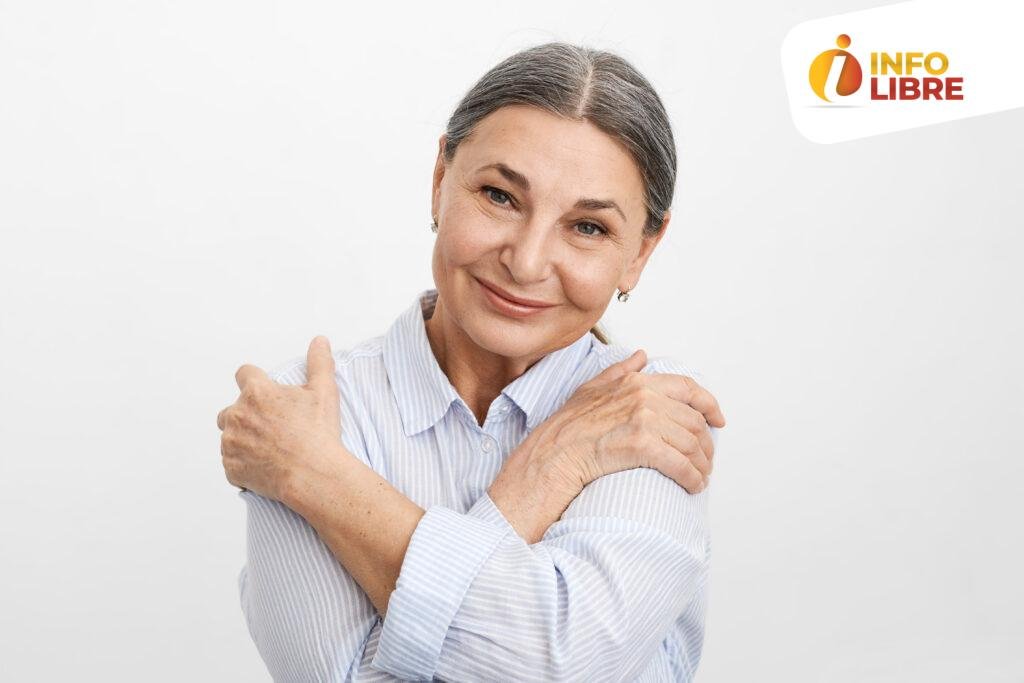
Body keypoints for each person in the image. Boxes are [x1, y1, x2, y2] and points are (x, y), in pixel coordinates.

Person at [217, 42, 727, 682]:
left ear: (640, 253)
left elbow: (561, 667)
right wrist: (549, 472)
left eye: (588, 228)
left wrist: (321, 479)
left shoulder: (650, 409)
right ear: (440, 182)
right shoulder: (301, 409)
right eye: (499, 196)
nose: (527, 261)